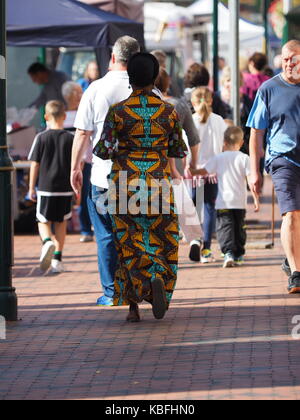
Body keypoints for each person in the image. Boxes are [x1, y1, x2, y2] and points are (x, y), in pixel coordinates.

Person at [93, 52, 188, 322]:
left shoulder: (118, 112)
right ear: (154, 77)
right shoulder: (168, 111)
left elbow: (103, 150)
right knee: (161, 238)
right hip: (157, 181)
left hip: (125, 182)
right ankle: (157, 277)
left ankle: (133, 308)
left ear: (130, 79)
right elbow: (178, 150)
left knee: (128, 243)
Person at [71, 36, 140, 307]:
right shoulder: (149, 91)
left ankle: (112, 292)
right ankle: (137, 287)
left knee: (106, 235)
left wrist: (75, 167)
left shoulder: (96, 89)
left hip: (103, 175)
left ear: (112, 58)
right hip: (138, 176)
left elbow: (81, 133)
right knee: (135, 234)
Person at [247, 40, 300, 294]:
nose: (289, 63)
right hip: (282, 159)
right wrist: (254, 170)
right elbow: (256, 132)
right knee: (291, 213)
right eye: (286, 59)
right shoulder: (268, 89)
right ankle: (297, 273)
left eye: (295, 59)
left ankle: (291, 260)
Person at [190, 126, 259, 268]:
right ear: (241, 143)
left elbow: (204, 171)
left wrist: (192, 171)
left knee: (224, 228)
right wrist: (256, 199)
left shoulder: (219, 158)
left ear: (224, 142)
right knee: (239, 228)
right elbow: (251, 180)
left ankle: (228, 252)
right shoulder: (244, 158)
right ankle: (239, 254)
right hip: (240, 202)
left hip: (223, 202)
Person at [28, 101, 74, 273]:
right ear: (64, 116)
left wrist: (31, 187)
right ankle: (57, 259)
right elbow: (77, 164)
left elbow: (35, 164)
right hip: (65, 187)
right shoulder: (71, 138)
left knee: (43, 220)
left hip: (46, 186)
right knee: (61, 223)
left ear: (46, 117)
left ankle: (47, 241)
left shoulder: (41, 137)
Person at [189, 87, 228, 264]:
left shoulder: (191, 121)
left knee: (195, 207)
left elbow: (186, 146)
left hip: (195, 170)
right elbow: (223, 145)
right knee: (210, 208)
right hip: (212, 171)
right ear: (211, 100)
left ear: (192, 102)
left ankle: (194, 238)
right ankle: (206, 248)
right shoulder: (219, 120)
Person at [62, 81, 94, 243]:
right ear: (69, 96)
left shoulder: (84, 111)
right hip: (63, 162)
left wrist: (81, 160)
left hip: (85, 161)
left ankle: (85, 228)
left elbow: (85, 138)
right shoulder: (62, 116)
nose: (81, 95)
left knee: (85, 194)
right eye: (78, 93)